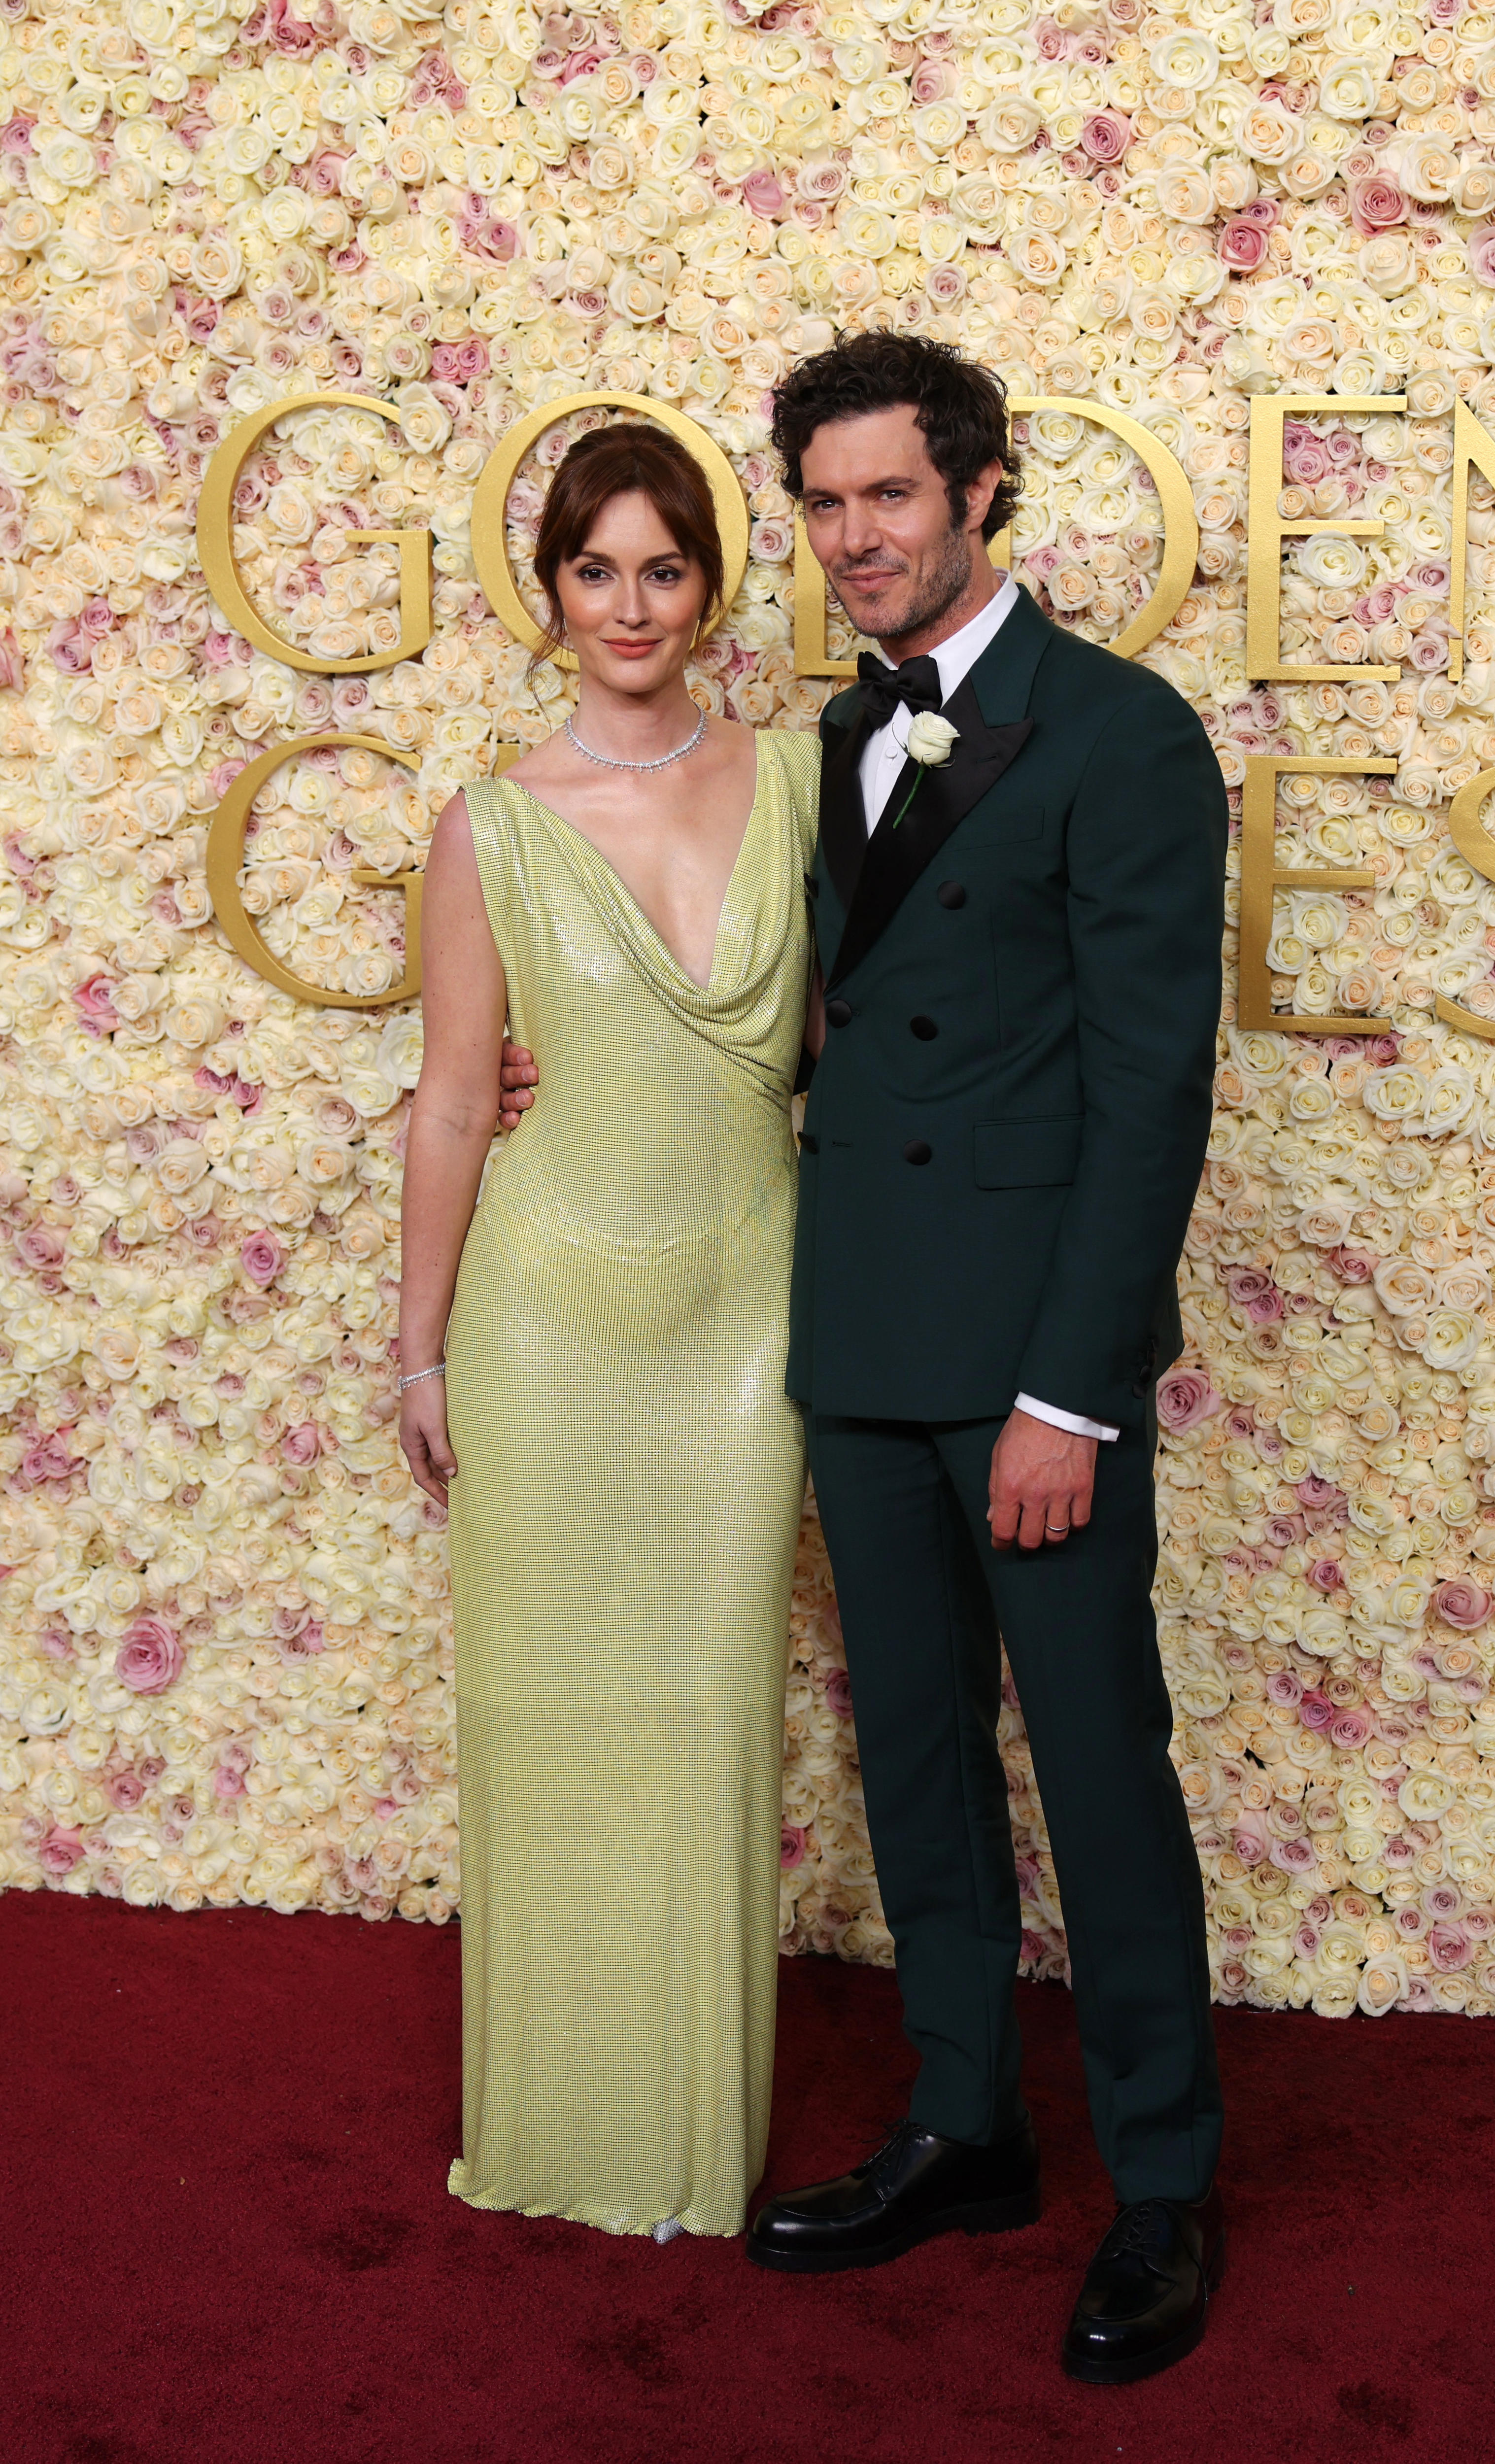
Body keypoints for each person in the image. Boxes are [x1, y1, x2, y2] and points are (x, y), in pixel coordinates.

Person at [501, 334, 1228, 2383]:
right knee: (917, 1759)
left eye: (889, 496)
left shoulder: (1123, 735)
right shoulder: (828, 742)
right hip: (859, 1333)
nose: (854, 540)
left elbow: (1151, 1089)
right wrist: (543, 1076)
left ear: (984, 491)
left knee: (1096, 1770)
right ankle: (966, 2123)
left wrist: (1071, 1391)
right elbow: (772, 1009)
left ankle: (1164, 2189)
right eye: (823, 505)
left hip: (1031, 1370)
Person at [399, 421, 819, 2239]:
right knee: (546, 1723)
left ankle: (685, 2151)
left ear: (710, 589)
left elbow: (859, 1041)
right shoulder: (491, 822)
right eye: (596, 570)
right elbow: (443, 1102)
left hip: (744, 1326)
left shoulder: (805, 784)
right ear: (551, 593)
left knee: (710, 1724)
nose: (631, 605)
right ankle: (555, 2134)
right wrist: (417, 1348)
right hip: (546, 1324)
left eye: (664, 568)